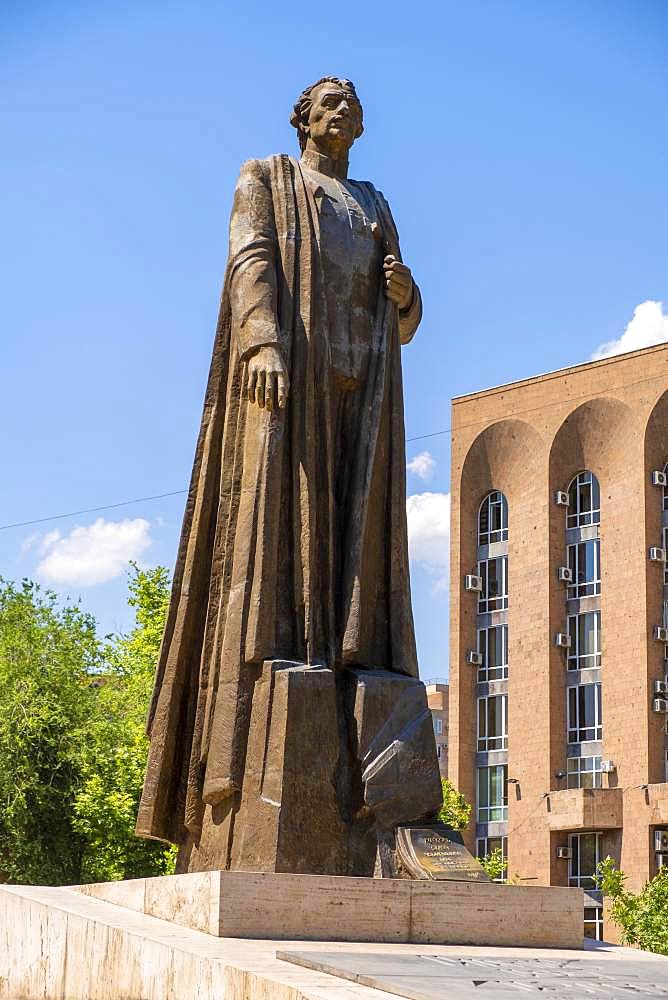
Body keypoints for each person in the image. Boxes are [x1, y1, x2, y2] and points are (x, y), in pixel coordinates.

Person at [137, 77, 424, 847]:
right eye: (331, 101)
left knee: (359, 547)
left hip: (362, 386)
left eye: (355, 105)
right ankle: (278, 684)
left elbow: (404, 315)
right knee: (276, 538)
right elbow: (251, 257)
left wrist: (407, 296)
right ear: (303, 117)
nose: (345, 112)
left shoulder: (373, 200)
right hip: (289, 380)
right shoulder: (265, 177)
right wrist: (261, 339)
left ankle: (356, 699)